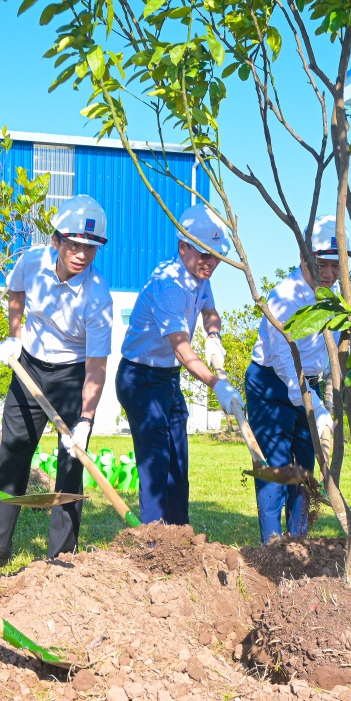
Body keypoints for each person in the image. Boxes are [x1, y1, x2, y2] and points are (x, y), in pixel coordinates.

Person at [0, 196, 113, 578]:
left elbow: (96, 365)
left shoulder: (99, 299)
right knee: (13, 455)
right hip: (28, 365)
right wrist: (15, 336)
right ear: (56, 240)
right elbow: (17, 295)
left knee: (70, 464)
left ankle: (62, 560)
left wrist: (84, 419)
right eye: (74, 244)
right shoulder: (31, 261)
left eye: (91, 248)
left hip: (71, 375)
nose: (81, 254)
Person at [116, 203, 245, 526]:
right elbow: (183, 349)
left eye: (215, 256)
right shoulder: (169, 286)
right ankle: (154, 541)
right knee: (156, 463)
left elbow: (209, 311)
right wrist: (218, 384)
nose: (211, 262)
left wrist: (213, 335)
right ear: (183, 247)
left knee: (178, 460)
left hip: (167, 378)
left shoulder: (201, 275)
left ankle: (181, 536)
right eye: (204, 254)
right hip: (140, 378)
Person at [244, 215, 341, 542]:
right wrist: (314, 405)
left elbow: (332, 348)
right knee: (277, 470)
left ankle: (298, 542)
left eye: (335, 267)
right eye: (322, 265)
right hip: (272, 386)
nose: (328, 275)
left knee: (303, 470)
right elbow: (284, 360)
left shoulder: (334, 298)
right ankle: (272, 549)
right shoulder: (285, 296)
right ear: (304, 258)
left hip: (306, 386)